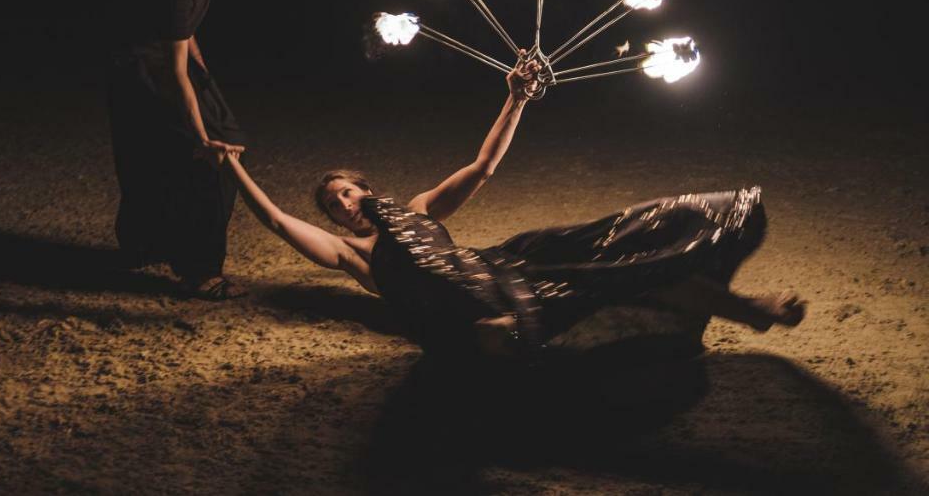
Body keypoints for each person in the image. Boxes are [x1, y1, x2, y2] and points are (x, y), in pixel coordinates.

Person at [217, 58, 805, 355]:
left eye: (348, 189)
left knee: (616, 262)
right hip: (457, 318)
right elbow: (273, 218)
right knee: (495, 340)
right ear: (334, 218)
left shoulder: (419, 208)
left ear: (368, 190)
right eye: (333, 201)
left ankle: (743, 306)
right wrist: (232, 164)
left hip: (504, 268)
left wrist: (515, 97)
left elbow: (482, 167)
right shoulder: (353, 253)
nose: (345, 201)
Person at [108, 0, 250, 300]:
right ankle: (200, 271)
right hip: (143, 77)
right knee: (210, 160)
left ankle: (142, 246)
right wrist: (202, 133)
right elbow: (172, 69)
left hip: (159, 67)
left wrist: (206, 78)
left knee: (162, 159)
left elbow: (185, 33)